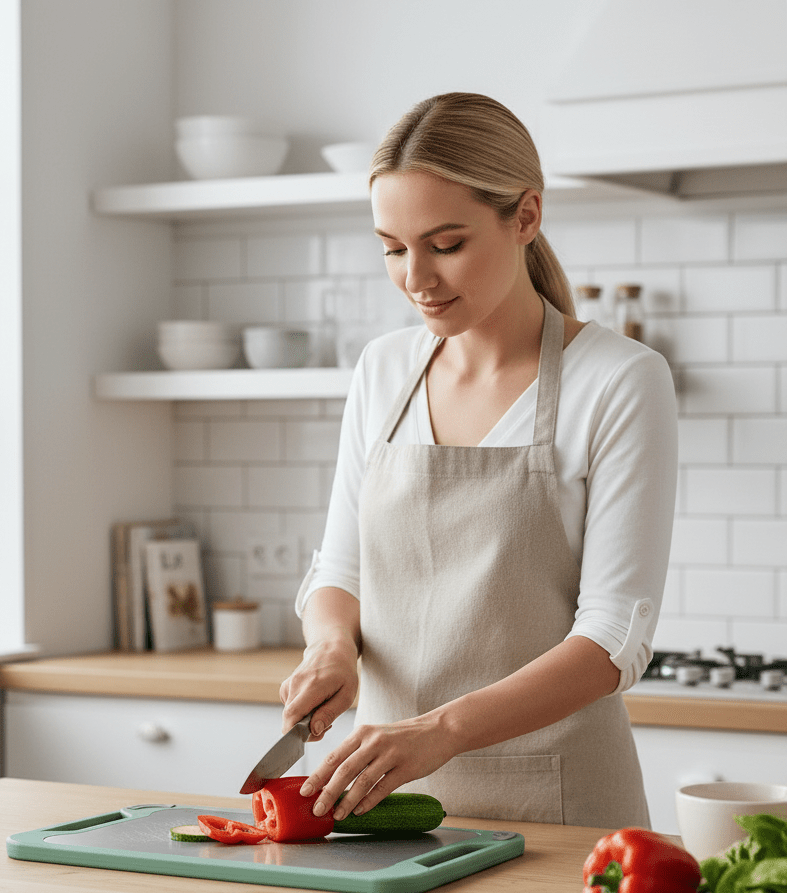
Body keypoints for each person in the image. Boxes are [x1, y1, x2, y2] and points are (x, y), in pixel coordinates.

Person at [280, 93, 677, 830]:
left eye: (446, 243)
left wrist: (440, 732)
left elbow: (612, 639)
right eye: (394, 248)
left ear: (525, 216)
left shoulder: (620, 378)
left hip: (559, 805)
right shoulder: (384, 370)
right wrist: (332, 648)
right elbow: (340, 568)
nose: (416, 278)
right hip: (378, 798)